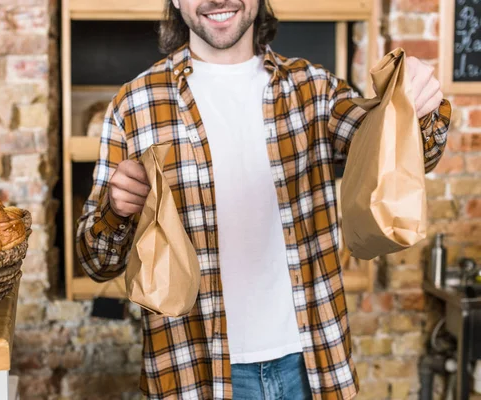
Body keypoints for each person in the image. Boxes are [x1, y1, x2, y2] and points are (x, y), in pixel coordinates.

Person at [76, 0, 452, 398]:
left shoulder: (315, 89)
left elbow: (399, 150)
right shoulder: (134, 105)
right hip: (192, 368)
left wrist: (413, 107)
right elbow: (97, 263)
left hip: (310, 366)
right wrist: (117, 211)